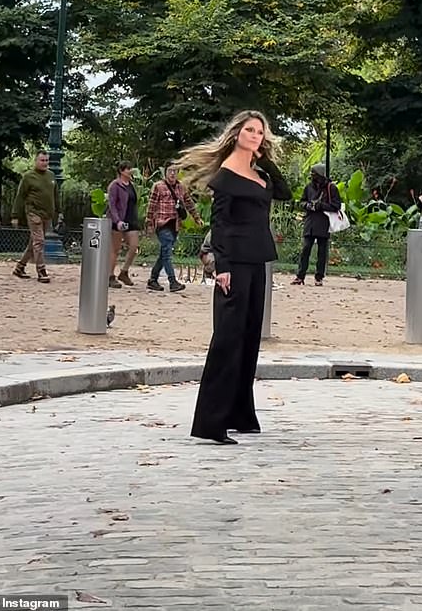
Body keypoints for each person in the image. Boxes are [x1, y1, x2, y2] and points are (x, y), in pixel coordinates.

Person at [183, 110, 291, 445]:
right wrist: (223, 267)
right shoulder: (227, 175)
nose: (255, 136)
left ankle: (239, 414)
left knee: (248, 340)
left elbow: (285, 193)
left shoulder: (258, 172)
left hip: (257, 261)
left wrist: (267, 160)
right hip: (235, 265)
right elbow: (221, 226)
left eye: (260, 132)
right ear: (236, 134)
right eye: (249, 130)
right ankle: (210, 422)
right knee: (228, 340)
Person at [146, 162, 202, 294]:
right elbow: (151, 205)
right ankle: (172, 281)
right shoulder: (158, 186)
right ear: (165, 172)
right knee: (167, 252)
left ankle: (153, 279)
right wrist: (149, 223)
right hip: (162, 223)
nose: (172, 173)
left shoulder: (181, 187)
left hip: (175, 224)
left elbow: (189, 203)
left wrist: (196, 218)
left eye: (175, 171)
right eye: (170, 171)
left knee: (164, 254)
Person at [11, 150, 58, 284]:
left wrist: (58, 211)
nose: (45, 163)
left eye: (47, 160)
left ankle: (20, 267)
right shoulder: (28, 177)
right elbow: (20, 197)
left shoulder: (51, 176)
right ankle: (41, 270)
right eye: (42, 160)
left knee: (34, 243)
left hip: (47, 214)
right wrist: (15, 215)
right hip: (33, 212)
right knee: (39, 241)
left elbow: (55, 195)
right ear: (36, 161)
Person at [292, 163, 342, 286]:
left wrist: (320, 206)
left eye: (314, 174)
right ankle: (300, 276)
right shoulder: (308, 187)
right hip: (310, 222)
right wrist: (308, 205)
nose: (312, 176)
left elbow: (336, 206)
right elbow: (302, 202)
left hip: (323, 223)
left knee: (322, 252)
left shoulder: (331, 188)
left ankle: (319, 277)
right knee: (305, 249)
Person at [106, 161, 140, 288]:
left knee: (134, 246)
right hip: (119, 220)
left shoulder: (131, 185)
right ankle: (110, 275)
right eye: (128, 169)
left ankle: (124, 271)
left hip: (131, 219)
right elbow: (112, 204)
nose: (130, 171)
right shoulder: (115, 185)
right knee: (115, 249)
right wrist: (117, 220)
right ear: (121, 171)